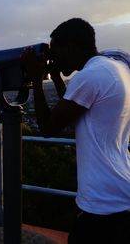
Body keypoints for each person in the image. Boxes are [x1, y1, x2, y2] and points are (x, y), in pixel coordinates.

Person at [21, 18, 130, 243]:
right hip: (119, 190)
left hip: (106, 200)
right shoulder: (114, 67)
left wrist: (36, 80)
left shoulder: (90, 76)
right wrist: (58, 79)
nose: (53, 59)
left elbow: (48, 128)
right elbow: (74, 109)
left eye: (55, 51)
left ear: (70, 46)